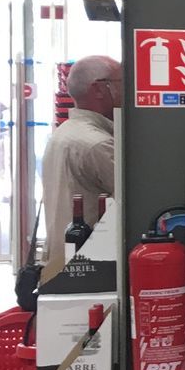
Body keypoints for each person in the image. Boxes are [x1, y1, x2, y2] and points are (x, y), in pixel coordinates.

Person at [42, 54, 120, 260]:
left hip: (62, 257)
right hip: (86, 261)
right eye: (121, 82)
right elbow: (134, 199)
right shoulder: (97, 144)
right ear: (100, 89)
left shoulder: (64, 133)